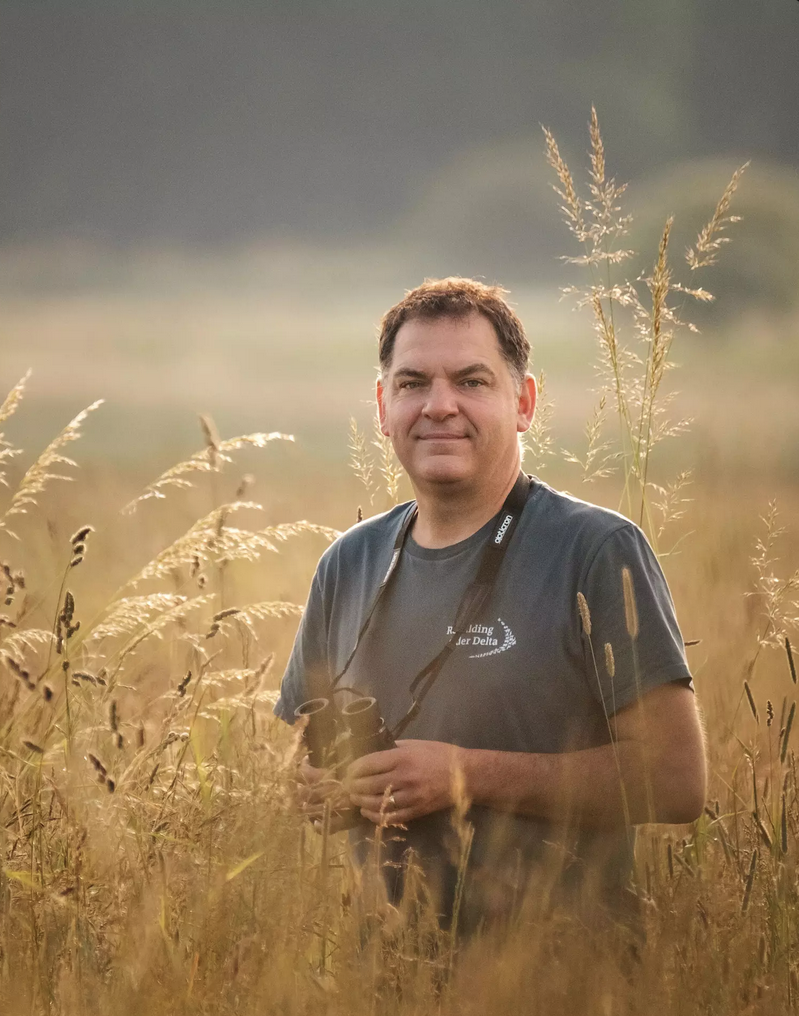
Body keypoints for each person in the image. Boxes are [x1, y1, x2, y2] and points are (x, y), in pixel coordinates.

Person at [275, 277, 706, 931]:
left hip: (558, 983)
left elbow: (676, 780)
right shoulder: (348, 561)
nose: (438, 406)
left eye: (471, 382)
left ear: (524, 402)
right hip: (379, 984)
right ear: (382, 407)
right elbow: (294, 759)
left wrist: (465, 774)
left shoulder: (597, 549)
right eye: (413, 383)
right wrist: (321, 793)